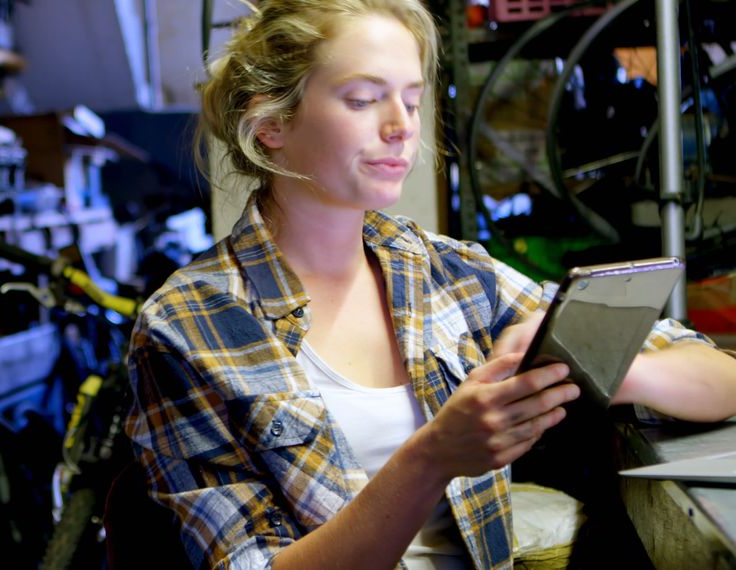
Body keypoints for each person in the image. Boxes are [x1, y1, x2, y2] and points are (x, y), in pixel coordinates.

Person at [124, 0, 736, 568]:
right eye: (363, 99)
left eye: (412, 101)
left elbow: (721, 379)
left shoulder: (444, 271)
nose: (400, 127)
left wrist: (605, 365)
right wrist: (433, 456)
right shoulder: (185, 326)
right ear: (271, 124)